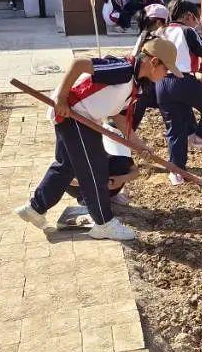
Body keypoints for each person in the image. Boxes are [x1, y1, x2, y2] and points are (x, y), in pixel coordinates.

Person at [14, 36, 182, 241]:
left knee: (66, 166)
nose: (166, 74)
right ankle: (104, 223)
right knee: (94, 168)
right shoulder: (122, 69)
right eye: (166, 69)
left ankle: (35, 208)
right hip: (73, 114)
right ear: (154, 62)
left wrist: (141, 146)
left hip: (84, 117)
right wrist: (61, 98)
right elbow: (78, 65)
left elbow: (119, 117)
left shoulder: (134, 85)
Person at [158, 0, 202, 183]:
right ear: (188, 16)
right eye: (195, 18)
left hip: (161, 83)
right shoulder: (187, 31)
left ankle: (177, 171)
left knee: (175, 128)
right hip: (182, 80)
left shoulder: (161, 31)